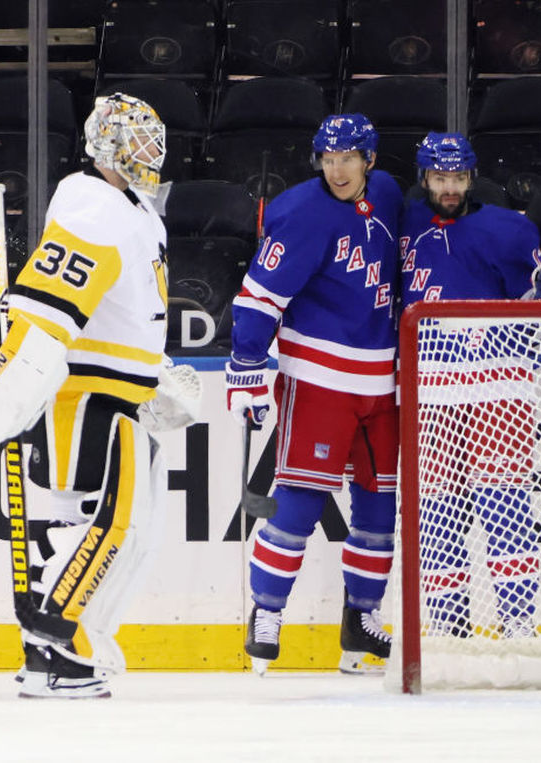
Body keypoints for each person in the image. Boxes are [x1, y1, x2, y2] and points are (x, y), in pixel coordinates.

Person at [0, 93, 199, 698]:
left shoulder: (133, 208)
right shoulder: (96, 207)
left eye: (152, 140)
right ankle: (58, 638)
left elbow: (129, 314)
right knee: (111, 522)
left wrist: (154, 368)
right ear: (106, 145)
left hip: (118, 392)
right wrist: (10, 376)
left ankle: (49, 652)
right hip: (91, 395)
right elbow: (47, 306)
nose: (150, 152)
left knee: (100, 523)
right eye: (136, 140)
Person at [227, 114, 403, 675]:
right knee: (300, 501)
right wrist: (247, 367)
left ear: (369, 160)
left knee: (378, 509)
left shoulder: (392, 193)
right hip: (320, 378)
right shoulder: (301, 213)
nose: (337, 169)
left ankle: (361, 619)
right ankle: (266, 612)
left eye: (348, 158)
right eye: (328, 159)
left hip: (384, 381)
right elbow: (257, 298)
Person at [398, 132, 541, 639]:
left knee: (506, 507)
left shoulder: (510, 229)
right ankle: (449, 630)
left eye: (457, 178)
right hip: (428, 388)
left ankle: (518, 626)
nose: (449, 188)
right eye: (439, 178)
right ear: (425, 179)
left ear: (471, 178)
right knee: (437, 513)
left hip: (499, 388)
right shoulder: (402, 225)